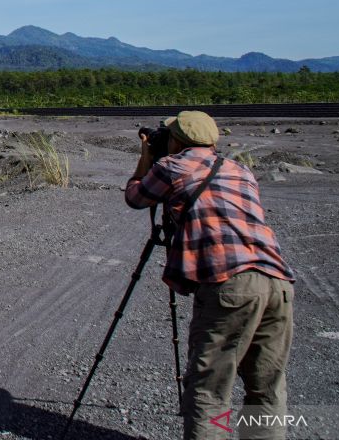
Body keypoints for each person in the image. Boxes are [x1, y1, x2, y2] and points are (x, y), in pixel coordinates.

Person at [125, 110, 295, 440]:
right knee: (266, 391)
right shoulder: (239, 170)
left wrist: (146, 155)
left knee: (209, 391)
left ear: (176, 140)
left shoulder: (171, 166)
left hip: (230, 283)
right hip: (278, 280)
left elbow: (135, 197)